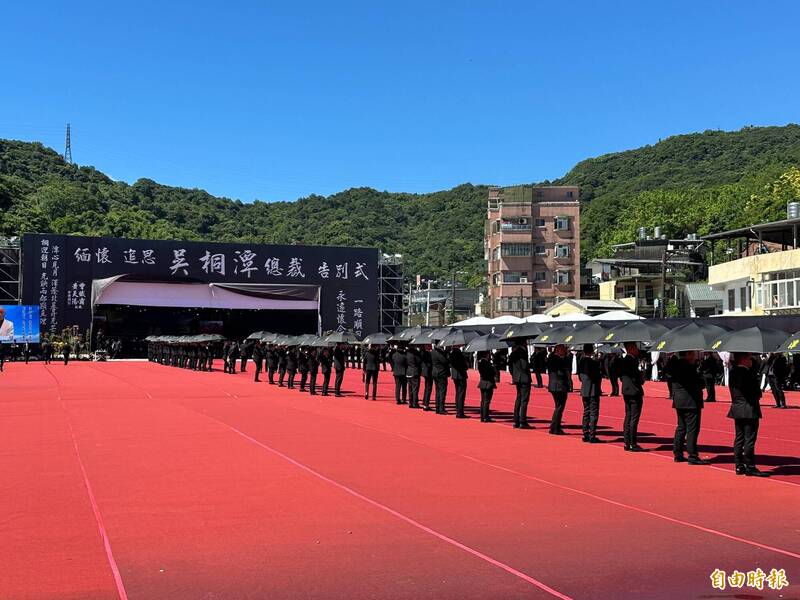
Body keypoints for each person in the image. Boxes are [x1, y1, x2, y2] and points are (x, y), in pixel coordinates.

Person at [728, 352, 769, 477]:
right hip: (749, 408)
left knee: (739, 438)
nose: (752, 360)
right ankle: (750, 465)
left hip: (737, 408)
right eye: (750, 358)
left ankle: (739, 465)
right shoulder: (747, 374)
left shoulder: (732, 372)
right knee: (749, 439)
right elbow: (755, 392)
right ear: (744, 359)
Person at [671, 351, 708, 465]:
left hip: (679, 400)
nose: (694, 356)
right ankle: (692, 455)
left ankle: (678, 453)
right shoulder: (689, 367)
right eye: (691, 354)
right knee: (692, 428)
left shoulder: (675, 365)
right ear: (687, 354)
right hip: (690, 401)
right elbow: (699, 383)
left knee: (681, 427)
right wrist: (700, 374)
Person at [620, 342, 645, 451]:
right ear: (630, 348)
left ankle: (627, 442)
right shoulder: (632, 361)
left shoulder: (624, 360)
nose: (637, 349)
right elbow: (636, 378)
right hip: (634, 391)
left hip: (626, 391)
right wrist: (641, 376)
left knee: (628, 416)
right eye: (635, 347)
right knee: (633, 418)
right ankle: (632, 443)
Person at [577, 343, 603, 443]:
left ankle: (585, 433)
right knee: (593, 413)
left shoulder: (581, 361)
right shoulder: (592, 362)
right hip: (593, 389)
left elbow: (580, 377)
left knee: (586, 412)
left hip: (584, 389)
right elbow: (596, 376)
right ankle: (592, 434)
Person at [547, 344, 571, 435]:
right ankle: (556, 427)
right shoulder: (557, 359)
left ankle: (554, 426)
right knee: (560, 407)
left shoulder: (551, 357)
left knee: (558, 407)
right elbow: (562, 372)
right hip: (559, 385)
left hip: (554, 385)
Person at [509, 341, 532, 429]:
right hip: (524, 378)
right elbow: (524, 365)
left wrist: (514, 375)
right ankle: (522, 421)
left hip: (517, 378)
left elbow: (510, 367)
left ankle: (516, 420)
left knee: (518, 399)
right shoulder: (522, 352)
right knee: (524, 400)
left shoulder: (513, 353)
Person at [477, 351, 497, 422]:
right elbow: (492, 372)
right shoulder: (486, 363)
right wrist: (492, 367)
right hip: (488, 382)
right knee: (486, 401)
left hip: (483, 382)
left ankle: (483, 416)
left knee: (483, 400)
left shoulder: (480, 362)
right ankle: (485, 416)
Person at [449, 346, 469, 418]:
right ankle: (460, 411)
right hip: (460, 375)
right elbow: (463, 365)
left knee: (458, 393)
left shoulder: (451, 353)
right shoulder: (458, 353)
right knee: (461, 394)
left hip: (455, 375)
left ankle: (458, 409)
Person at [431, 344, 450, 414]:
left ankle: (438, 407)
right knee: (442, 392)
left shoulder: (433, 351)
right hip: (441, 373)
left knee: (437, 391)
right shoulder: (438, 352)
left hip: (435, 372)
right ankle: (441, 408)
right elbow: (445, 361)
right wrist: (446, 353)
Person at [420, 344, 434, 411]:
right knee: (428, 388)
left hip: (425, 372)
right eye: (429, 345)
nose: (431, 346)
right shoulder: (427, 354)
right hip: (428, 372)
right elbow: (429, 363)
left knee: (427, 387)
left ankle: (425, 401)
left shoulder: (423, 353)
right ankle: (426, 404)